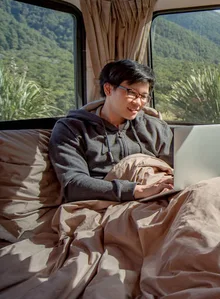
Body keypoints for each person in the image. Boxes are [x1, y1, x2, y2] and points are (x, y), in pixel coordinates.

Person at [49, 59, 174, 203]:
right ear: (108, 89)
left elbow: (178, 169)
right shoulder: (72, 129)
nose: (138, 103)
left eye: (143, 96)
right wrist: (137, 190)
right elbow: (73, 185)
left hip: (160, 196)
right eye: (131, 93)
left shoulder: (154, 127)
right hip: (106, 204)